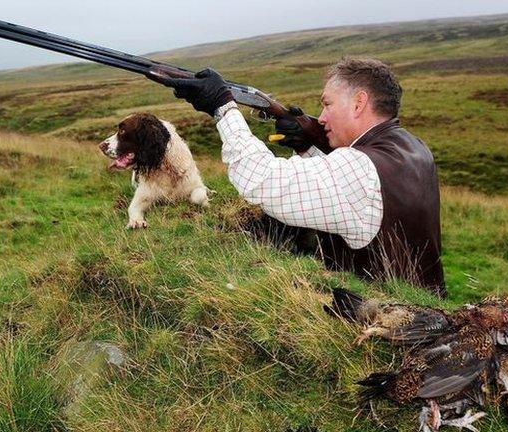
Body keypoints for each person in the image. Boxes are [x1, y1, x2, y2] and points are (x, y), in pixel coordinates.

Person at [162, 58, 446, 297]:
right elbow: (351, 198)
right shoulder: (414, 147)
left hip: (379, 329)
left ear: (359, 103)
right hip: (426, 309)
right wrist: (307, 146)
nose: (321, 118)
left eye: (327, 105)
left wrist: (223, 107)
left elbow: (262, 180)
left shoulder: (360, 168)